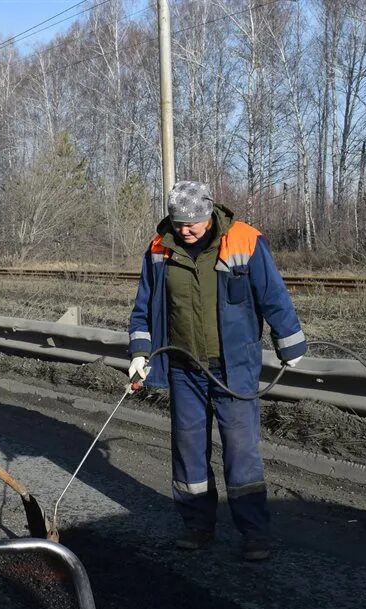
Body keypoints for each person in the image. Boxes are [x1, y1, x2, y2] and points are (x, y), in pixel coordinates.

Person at [127, 180, 305, 561]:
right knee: (188, 450)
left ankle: (255, 534)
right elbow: (143, 306)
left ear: (209, 214)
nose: (185, 230)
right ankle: (196, 524)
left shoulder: (245, 241)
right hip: (183, 367)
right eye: (179, 224)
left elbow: (273, 295)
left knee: (241, 452)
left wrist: (290, 342)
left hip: (233, 368)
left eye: (192, 223)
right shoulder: (160, 249)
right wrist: (141, 352)